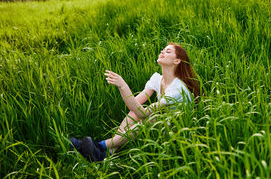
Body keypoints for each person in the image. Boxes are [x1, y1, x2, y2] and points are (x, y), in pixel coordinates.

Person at [70, 42, 200, 161]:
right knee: (135, 113)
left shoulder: (177, 88)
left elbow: (143, 113)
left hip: (179, 133)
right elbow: (134, 105)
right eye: (162, 50)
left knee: (152, 118)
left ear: (177, 60)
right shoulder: (157, 79)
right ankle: (108, 153)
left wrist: (123, 85)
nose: (162, 52)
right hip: (165, 124)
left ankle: (99, 145)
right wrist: (122, 88)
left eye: (168, 51)